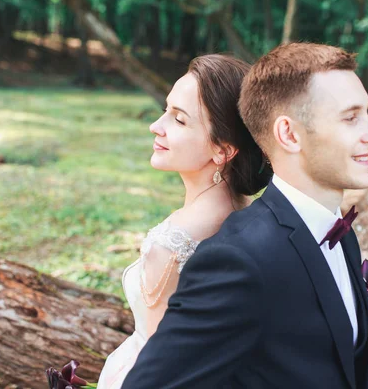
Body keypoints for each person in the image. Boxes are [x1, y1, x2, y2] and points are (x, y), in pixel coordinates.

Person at [121, 42, 368, 389]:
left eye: (367, 113)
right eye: (351, 117)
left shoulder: (342, 235)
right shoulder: (239, 260)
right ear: (288, 134)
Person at [96, 54, 272, 389]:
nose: (156, 126)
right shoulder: (245, 211)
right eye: (166, 109)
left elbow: (166, 365)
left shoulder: (173, 244)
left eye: (179, 120)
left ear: (223, 149)